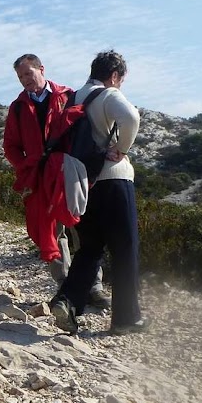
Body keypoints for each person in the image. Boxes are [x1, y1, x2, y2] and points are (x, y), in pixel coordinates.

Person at [50, 50, 145, 336]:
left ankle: (67, 300)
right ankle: (126, 318)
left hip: (83, 182)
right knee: (125, 249)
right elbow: (131, 117)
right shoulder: (108, 94)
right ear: (114, 75)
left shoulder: (73, 97)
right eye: (121, 79)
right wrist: (123, 149)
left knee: (90, 247)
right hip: (114, 181)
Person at [2, 54, 107, 306]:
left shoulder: (68, 96)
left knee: (81, 224)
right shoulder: (17, 107)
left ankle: (93, 286)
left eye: (28, 73)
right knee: (51, 230)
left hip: (70, 170)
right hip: (40, 176)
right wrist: (27, 169)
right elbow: (10, 146)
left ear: (42, 69)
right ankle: (66, 287)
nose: (25, 80)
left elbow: (89, 131)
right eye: (20, 77)